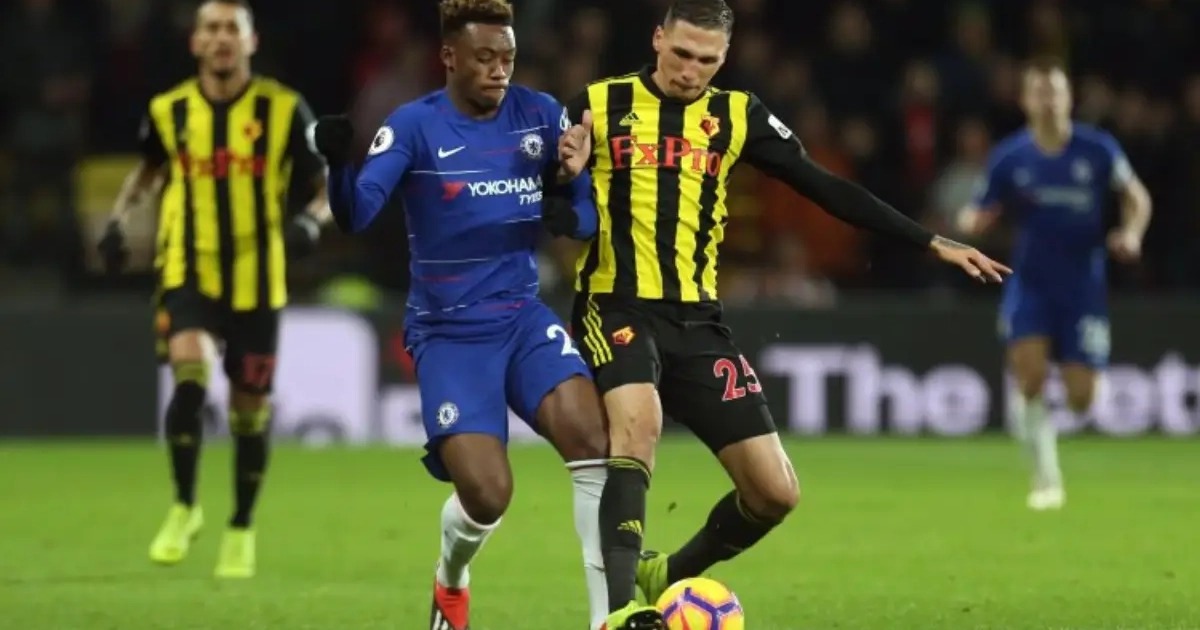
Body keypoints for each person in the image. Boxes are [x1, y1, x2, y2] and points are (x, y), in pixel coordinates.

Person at [544, 0, 1012, 624]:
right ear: (658, 39)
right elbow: (551, 204)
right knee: (639, 424)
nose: (690, 70)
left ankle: (667, 574)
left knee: (774, 492)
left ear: (724, 58)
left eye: (706, 60)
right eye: (680, 53)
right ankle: (621, 609)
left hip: (698, 322)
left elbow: (826, 187)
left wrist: (930, 241)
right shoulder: (598, 104)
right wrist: (562, 176)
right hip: (615, 304)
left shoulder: (737, 114)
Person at [310, 1, 613, 629]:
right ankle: (451, 577)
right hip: (449, 333)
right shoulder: (414, 126)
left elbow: (584, 212)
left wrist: (570, 207)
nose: (500, 70)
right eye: (485, 58)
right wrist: (340, 166)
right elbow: (358, 213)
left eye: (508, 58)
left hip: (522, 317)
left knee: (593, 440)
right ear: (449, 57)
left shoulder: (540, 114)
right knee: (488, 495)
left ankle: (606, 618)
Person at [97, 0, 331, 578]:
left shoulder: (283, 109)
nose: (222, 38)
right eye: (212, 28)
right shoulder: (169, 110)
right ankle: (184, 506)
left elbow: (325, 185)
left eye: (233, 29)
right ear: (195, 42)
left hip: (257, 279)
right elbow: (148, 171)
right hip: (188, 269)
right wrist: (119, 221)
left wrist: (311, 221)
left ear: (251, 42)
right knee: (190, 372)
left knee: (249, 411)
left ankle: (241, 526)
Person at [957, 58, 1152, 511]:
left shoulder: (1098, 149)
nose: (1048, 101)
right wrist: (971, 222)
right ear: (1025, 100)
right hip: (1031, 283)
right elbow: (976, 209)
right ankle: (1046, 478)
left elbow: (1136, 197)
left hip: (1084, 287)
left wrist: (1131, 234)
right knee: (1030, 377)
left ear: (1069, 98)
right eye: (1040, 92)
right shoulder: (1010, 157)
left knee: (1083, 399)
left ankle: (1036, 412)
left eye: (1056, 92)